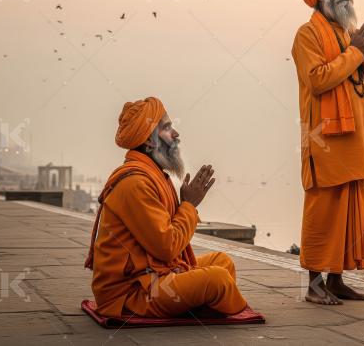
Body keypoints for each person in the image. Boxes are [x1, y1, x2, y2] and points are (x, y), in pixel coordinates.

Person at [85, 97, 247, 317]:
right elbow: (167, 246)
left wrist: (187, 205)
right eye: (167, 128)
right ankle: (198, 303)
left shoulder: (153, 174)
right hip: (132, 291)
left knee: (222, 262)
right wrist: (189, 205)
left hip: (155, 273)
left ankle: (193, 302)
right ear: (150, 142)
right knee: (217, 280)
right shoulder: (135, 183)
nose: (176, 134)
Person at [291, 0, 364, 305]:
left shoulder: (351, 34)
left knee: (349, 210)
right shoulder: (307, 35)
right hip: (324, 140)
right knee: (325, 208)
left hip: (357, 142)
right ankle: (314, 285)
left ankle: (335, 280)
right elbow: (318, 79)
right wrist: (355, 51)